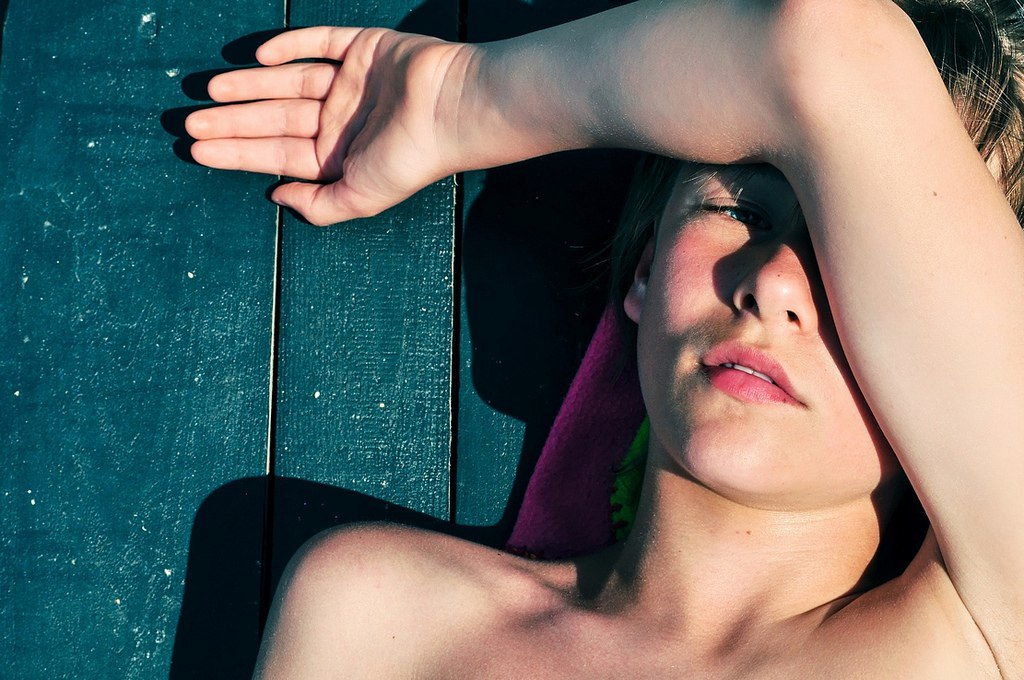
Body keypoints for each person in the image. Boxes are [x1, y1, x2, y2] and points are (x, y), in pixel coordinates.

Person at [184, 0, 1024, 676]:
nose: (772, 283)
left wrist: (465, 99)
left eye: (860, 262)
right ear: (646, 269)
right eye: (739, 211)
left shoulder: (987, 644)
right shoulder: (381, 616)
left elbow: (840, 53)